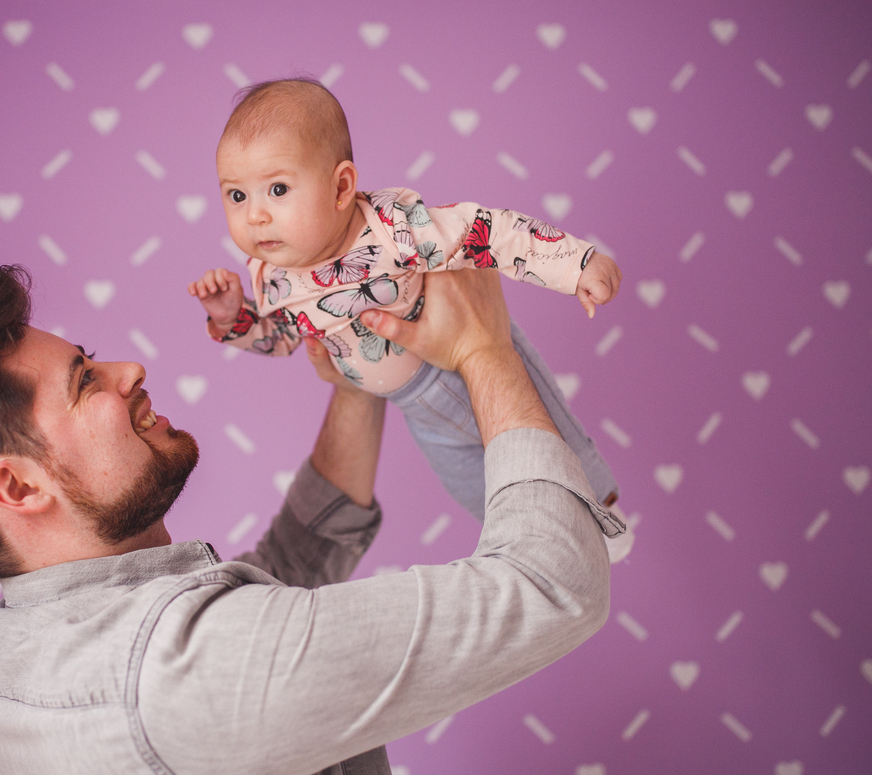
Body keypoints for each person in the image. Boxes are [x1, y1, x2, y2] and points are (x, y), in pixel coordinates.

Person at [0, 263, 621, 775]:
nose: (129, 369)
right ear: (18, 485)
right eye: (85, 383)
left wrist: (362, 374)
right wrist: (482, 345)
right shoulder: (178, 677)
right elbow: (553, 584)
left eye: (90, 358)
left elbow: (283, 578)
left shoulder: (32, 646)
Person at [189, 79, 621, 520]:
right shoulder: (270, 275)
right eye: (236, 195)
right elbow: (282, 338)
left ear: (340, 188)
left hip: (460, 368)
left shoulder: (390, 228)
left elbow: (482, 231)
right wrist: (231, 318)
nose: (255, 216)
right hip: (417, 410)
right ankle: (531, 547)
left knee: (553, 445)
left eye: (277, 189)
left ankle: (605, 520)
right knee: (480, 492)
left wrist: (574, 264)